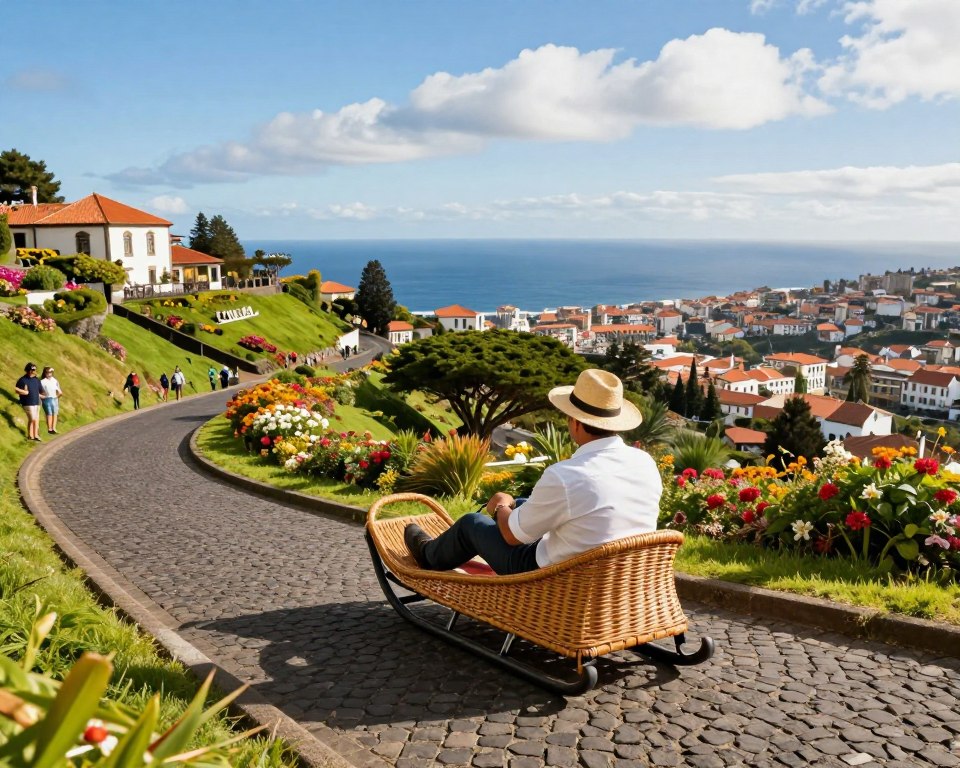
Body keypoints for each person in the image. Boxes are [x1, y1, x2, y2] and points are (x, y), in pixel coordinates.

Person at [404, 369, 662, 575]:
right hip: (622, 573)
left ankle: (428, 555)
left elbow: (511, 537)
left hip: (554, 575)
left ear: (575, 422)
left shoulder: (566, 475)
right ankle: (514, 511)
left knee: (472, 523)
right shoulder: (645, 462)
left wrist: (499, 507)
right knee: (526, 503)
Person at [14, 362, 43, 442]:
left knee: (36, 419)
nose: (33, 371)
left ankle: (35, 435)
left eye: (34, 369)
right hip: (27, 402)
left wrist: (42, 396)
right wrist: (24, 392)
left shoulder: (36, 380)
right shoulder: (22, 380)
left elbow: (40, 391)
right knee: (32, 418)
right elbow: (16, 390)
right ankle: (30, 435)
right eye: (31, 369)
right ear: (27, 370)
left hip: (36, 402)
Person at [39, 366, 63, 434]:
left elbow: (59, 391)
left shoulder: (54, 380)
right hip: (47, 398)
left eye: (50, 372)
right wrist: (42, 396)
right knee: (49, 413)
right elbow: (39, 391)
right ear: (45, 373)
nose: (49, 374)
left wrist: (56, 397)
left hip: (54, 398)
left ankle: (54, 428)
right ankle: (50, 428)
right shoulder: (42, 382)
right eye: (48, 373)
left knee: (55, 413)